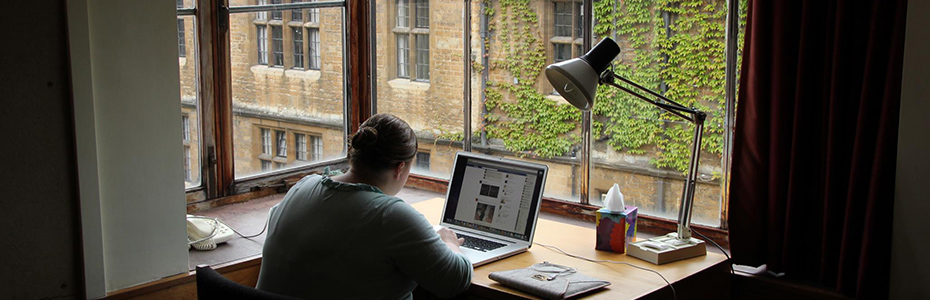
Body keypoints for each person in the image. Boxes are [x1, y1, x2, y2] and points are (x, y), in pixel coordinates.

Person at [256, 114, 473, 300]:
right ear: (400, 168)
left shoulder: (304, 185)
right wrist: (449, 243)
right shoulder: (390, 215)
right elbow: (454, 280)